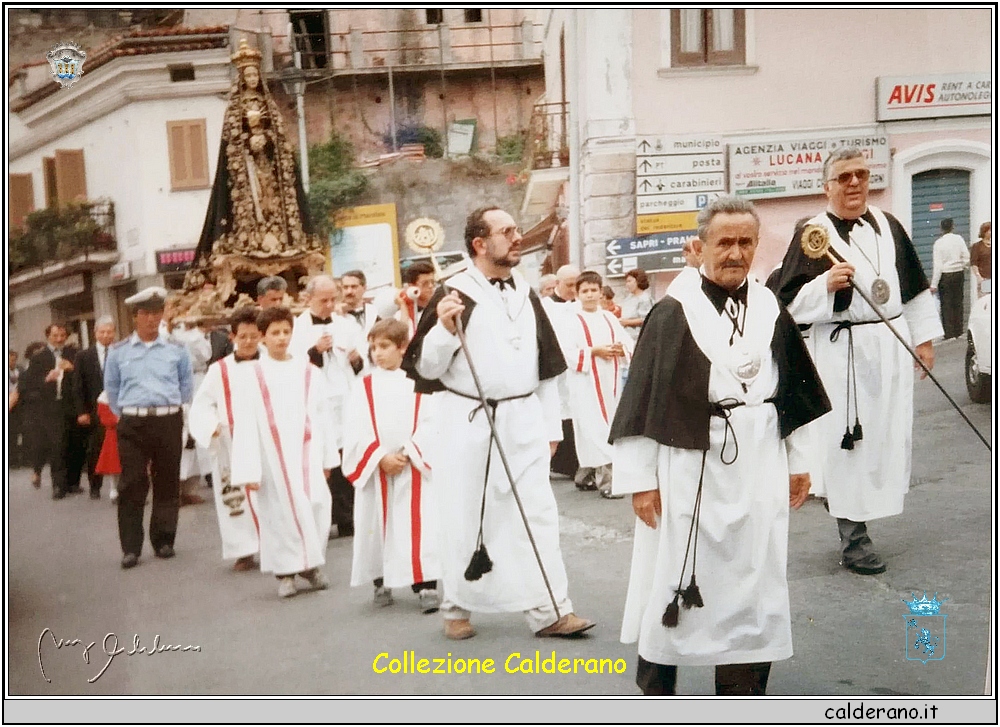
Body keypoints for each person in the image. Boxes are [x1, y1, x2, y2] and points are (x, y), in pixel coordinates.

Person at [610, 195, 831, 696]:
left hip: (759, 460)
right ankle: (659, 693)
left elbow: (791, 389)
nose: (735, 252)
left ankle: (742, 695)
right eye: (725, 241)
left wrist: (799, 462)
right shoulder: (671, 313)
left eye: (745, 242)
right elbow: (642, 402)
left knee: (755, 576)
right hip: (690, 464)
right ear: (701, 246)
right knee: (673, 574)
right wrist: (641, 482)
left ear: (756, 245)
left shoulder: (770, 307)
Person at [403, 205, 595, 640]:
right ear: (480, 243)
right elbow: (428, 369)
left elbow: (546, 367)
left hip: (523, 418)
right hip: (469, 420)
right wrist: (445, 330)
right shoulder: (454, 291)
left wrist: (551, 430)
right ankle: (456, 606)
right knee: (466, 514)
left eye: (516, 229)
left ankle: (550, 610)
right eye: (507, 232)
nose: (518, 237)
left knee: (539, 514)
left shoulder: (527, 291)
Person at [769, 147, 942, 576]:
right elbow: (785, 303)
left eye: (861, 175)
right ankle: (854, 538)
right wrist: (824, 286)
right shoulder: (813, 232)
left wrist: (924, 340)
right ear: (826, 186)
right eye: (844, 176)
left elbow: (914, 288)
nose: (854, 183)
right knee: (848, 443)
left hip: (889, 345)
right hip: (842, 351)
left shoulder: (888, 224)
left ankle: (849, 505)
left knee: (885, 436)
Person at [230, 306, 337, 598]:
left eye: (285, 332)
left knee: (315, 503)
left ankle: (311, 564)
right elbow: (246, 424)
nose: (281, 338)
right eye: (274, 333)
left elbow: (321, 414)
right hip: (271, 456)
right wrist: (249, 468)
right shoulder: (252, 375)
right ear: (262, 337)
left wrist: (328, 456)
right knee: (279, 511)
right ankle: (286, 572)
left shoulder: (308, 372)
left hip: (306, 451)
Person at [343, 319, 441, 612]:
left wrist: (410, 452)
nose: (377, 354)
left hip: (413, 464)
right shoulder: (364, 386)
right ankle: (381, 580)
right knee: (376, 523)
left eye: (384, 347)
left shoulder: (421, 380)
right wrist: (379, 457)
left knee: (419, 525)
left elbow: (432, 421)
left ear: (402, 347)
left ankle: (425, 584)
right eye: (373, 348)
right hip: (378, 467)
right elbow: (355, 428)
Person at [104, 287, 194, 569]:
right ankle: (130, 547)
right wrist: (127, 415)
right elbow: (112, 390)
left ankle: (164, 540)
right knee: (132, 483)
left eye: (157, 312)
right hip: (133, 422)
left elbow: (186, 386)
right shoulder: (118, 353)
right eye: (146, 313)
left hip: (167, 419)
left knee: (167, 480)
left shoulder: (176, 350)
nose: (153, 319)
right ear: (135, 317)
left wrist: (172, 410)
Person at [189, 307, 264, 572]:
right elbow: (201, 405)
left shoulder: (270, 364)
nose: (248, 341)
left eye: (254, 336)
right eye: (243, 336)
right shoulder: (219, 370)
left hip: (265, 439)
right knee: (236, 498)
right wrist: (211, 427)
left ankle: (274, 544)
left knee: (269, 492)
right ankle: (243, 550)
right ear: (232, 337)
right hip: (231, 441)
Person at [289, 274, 363, 539]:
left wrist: (357, 359)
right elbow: (295, 364)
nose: (330, 305)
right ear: (309, 299)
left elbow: (362, 361)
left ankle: (348, 517)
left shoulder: (347, 325)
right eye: (324, 300)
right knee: (322, 459)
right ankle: (323, 518)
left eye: (334, 298)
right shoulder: (297, 328)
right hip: (316, 401)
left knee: (346, 455)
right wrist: (315, 351)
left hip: (344, 398)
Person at [566, 271, 632, 498]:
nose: (590, 295)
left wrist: (618, 348)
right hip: (585, 381)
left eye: (594, 290)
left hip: (609, 378)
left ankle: (584, 476)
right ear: (577, 294)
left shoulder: (609, 318)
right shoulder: (572, 319)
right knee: (593, 426)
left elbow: (626, 341)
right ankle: (607, 482)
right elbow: (567, 351)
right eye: (585, 291)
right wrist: (594, 351)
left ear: (601, 292)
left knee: (603, 425)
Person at [18, 323, 80, 499]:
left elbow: (81, 377)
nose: (59, 339)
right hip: (50, 407)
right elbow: (27, 384)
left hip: (70, 405)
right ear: (48, 336)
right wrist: (46, 379)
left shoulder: (73, 354)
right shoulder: (39, 358)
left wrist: (72, 368)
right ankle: (58, 485)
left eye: (62, 335)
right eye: (55, 336)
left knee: (73, 442)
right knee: (57, 445)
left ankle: (72, 483)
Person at [541, 264, 581, 480]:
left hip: (576, 368)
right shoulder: (545, 306)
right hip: (556, 368)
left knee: (576, 410)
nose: (574, 290)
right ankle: (560, 462)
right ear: (557, 283)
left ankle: (576, 462)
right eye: (569, 285)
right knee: (558, 409)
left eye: (577, 284)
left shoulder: (580, 305)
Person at [73, 316, 116, 499]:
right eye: (102, 332)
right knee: (95, 448)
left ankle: (120, 484)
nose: (106, 335)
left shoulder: (119, 351)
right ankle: (95, 485)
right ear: (95, 333)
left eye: (109, 331)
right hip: (94, 408)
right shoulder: (83, 356)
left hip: (116, 406)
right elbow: (78, 386)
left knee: (117, 446)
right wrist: (82, 411)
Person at [930, 218, 970, 340]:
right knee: (958, 302)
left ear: (941, 229)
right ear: (953, 227)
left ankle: (949, 332)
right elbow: (967, 257)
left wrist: (934, 284)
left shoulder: (938, 243)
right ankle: (958, 330)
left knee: (946, 304)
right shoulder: (959, 239)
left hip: (945, 275)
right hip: (958, 273)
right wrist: (963, 266)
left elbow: (938, 266)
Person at [396, 261, 436, 338]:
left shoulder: (439, 308)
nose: (431, 286)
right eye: (425, 283)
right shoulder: (402, 314)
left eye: (432, 282)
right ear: (412, 286)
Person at [94, 390, 121, 503]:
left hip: (132, 429)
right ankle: (114, 490)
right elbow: (105, 417)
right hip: (114, 433)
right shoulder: (106, 395)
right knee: (114, 464)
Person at [620, 268, 654, 342]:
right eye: (626, 282)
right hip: (627, 336)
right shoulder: (628, 297)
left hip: (639, 337)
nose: (627, 284)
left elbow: (646, 319)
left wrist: (627, 322)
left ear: (638, 281)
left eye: (629, 281)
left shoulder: (644, 298)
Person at [970, 222, 991, 298]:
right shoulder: (977, 246)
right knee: (985, 301)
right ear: (984, 232)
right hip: (984, 278)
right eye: (989, 230)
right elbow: (973, 263)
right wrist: (978, 276)